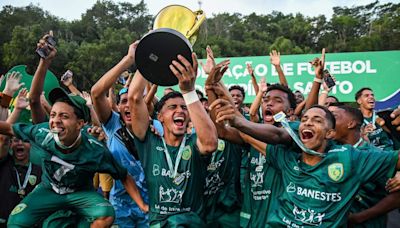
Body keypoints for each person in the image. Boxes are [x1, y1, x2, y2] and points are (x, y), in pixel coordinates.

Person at [211, 100, 400, 227]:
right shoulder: (286, 157)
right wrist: (235, 120)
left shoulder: (351, 158)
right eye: (305, 119)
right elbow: (245, 135)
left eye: (317, 120)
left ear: (330, 133)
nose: (308, 123)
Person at [128, 51, 218, 226]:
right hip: (159, 223)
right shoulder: (149, 142)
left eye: (184, 108)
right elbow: (134, 98)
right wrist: (148, 54)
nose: (180, 111)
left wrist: (189, 92)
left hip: (192, 223)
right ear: (160, 117)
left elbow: (210, 143)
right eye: (172, 107)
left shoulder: (194, 143)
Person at [91, 41, 149, 227]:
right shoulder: (112, 123)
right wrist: (129, 59)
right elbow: (96, 93)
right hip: (120, 206)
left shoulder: (154, 126)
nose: (128, 105)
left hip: (150, 204)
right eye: (123, 101)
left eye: (132, 100)